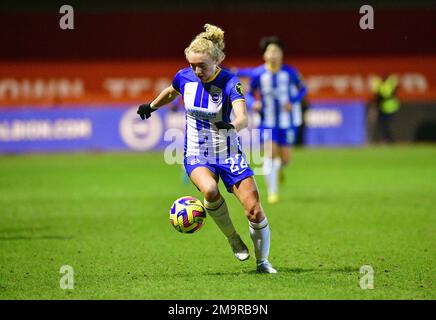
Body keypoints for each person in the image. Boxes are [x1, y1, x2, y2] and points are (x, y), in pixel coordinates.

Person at [137, 24, 277, 273]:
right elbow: (172, 91)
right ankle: (233, 237)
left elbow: (243, 117)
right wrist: (152, 105)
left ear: (217, 60)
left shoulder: (229, 82)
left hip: (229, 154)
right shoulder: (184, 77)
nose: (196, 70)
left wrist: (232, 124)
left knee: (254, 211)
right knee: (210, 190)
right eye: (192, 65)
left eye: (201, 65)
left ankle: (262, 262)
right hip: (196, 153)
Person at [247, 36, 307, 204]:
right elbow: (249, 93)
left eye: (276, 51)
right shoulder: (258, 73)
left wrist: (293, 101)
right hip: (267, 122)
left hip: (286, 122)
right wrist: (254, 103)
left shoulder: (290, 72)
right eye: (270, 51)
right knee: (270, 155)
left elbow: (303, 89)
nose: (273, 54)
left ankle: (279, 169)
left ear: (281, 54)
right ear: (264, 55)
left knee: (286, 160)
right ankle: (273, 193)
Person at [369, 74, 400, 143]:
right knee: (384, 125)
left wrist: (375, 106)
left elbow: (379, 97)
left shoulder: (382, 87)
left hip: (387, 108)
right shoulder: (388, 85)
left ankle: (389, 140)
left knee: (385, 125)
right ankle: (388, 139)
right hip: (388, 107)